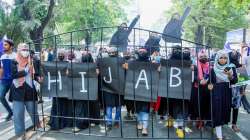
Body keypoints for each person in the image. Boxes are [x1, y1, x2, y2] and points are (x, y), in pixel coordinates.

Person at [9, 43, 41, 137]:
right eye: (23, 49)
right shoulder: (14, 61)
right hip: (17, 90)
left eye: (27, 50)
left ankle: (38, 126)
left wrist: (38, 78)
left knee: (33, 111)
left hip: (30, 89)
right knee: (18, 113)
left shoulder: (33, 61)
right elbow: (13, 75)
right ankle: (20, 134)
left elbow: (36, 74)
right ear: (18, 50)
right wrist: (26, 71)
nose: (25, 52)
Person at [208, 50, 238, 140]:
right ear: (217, 58)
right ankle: (219, 136)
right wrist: (209, 85)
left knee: (224, 111)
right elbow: (210, 82)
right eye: (221, 57)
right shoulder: (213, 69)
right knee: (218, 111)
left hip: (226, 92)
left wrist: (230, 75)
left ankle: (216, 129)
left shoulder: (230, 68)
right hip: (216, 93)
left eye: (225, 58)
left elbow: (234, 81)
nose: (223, 60)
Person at [190, 50, 210, 129]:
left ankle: (202, 120)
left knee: (205, 105)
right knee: (197, 105)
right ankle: (197, 119)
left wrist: (207, 81)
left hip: (206, 89)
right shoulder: (195, 66)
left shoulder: (209, 66)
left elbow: (212, 76)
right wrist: (200, 80)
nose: (203, 58)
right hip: (197, 88)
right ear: (198, 57)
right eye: (201, 57)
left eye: (205, 56)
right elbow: (193, 77)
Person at [0, 39, 15, 121]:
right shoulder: (2, 56)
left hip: (14, 81)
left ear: (11, 46)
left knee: (15, 99)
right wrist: (0, 77)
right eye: (3, 45)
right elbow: (2, 68)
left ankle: (17, 114)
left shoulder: (16, 56)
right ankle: (10, 112)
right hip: (4, 81)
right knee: (1, 96)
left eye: (6, 45)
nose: (4, 46)